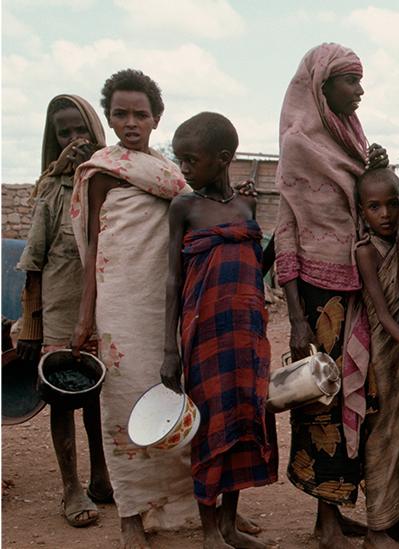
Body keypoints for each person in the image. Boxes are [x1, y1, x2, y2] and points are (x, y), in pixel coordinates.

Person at [69, 69, 197, 548]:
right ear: (108, 117)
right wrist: (87, 315)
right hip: (119, 303)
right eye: (120, 114)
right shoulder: (101, 171)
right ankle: (131, 518)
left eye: (140, 114)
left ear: (157, 118)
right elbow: (94, 246)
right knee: (123, 406)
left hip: (163, 302)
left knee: (173, 400)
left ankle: (183, 509)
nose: (130, 122)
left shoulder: (170, 174)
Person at [274, 43, 387, 549]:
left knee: (362, 402)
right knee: (322, 405)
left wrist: (377, 169)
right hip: (321, 302)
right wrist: (297, 318)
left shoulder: (352, 140)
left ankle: (338, 513)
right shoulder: (301, 144)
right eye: (350, 81)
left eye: (361, 81)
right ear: (322, 88)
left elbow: (370, 207)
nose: (359, 91)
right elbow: (287, 230)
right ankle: (324, 524)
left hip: (362, 290)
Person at [160, 112, 277, 549]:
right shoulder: (184, 208)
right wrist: (169, 350)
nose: (184, 169)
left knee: (244, 419)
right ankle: (209, 531)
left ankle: (229, 523)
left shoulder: (247, 206)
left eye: (191, 160)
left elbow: (256, 268)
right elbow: (173, 279)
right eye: (180, 160)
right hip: (204, 333)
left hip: (247, 333)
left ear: (223, 159)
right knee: (210, 425)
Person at [15, 94, 113, 528]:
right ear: (53, 142)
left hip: (106, 308)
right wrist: (32, 327)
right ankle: (72, 487)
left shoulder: (112, 184)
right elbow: (33, 266)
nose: (75, 140)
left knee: (99, 398)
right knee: (63, 398)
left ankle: (101, 477)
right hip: (59, 310)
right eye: (64, 133)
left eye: (82, 131)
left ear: (97, 132)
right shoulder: (52, 191)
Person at [354, 167, 399, 549]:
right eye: (374, 207)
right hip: (386, 354)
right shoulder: (367, 251)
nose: (385, 214)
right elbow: (383, 314)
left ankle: (394, 518)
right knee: (384, 435)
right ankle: (375, 529)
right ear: (361, 212)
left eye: (393, 204)